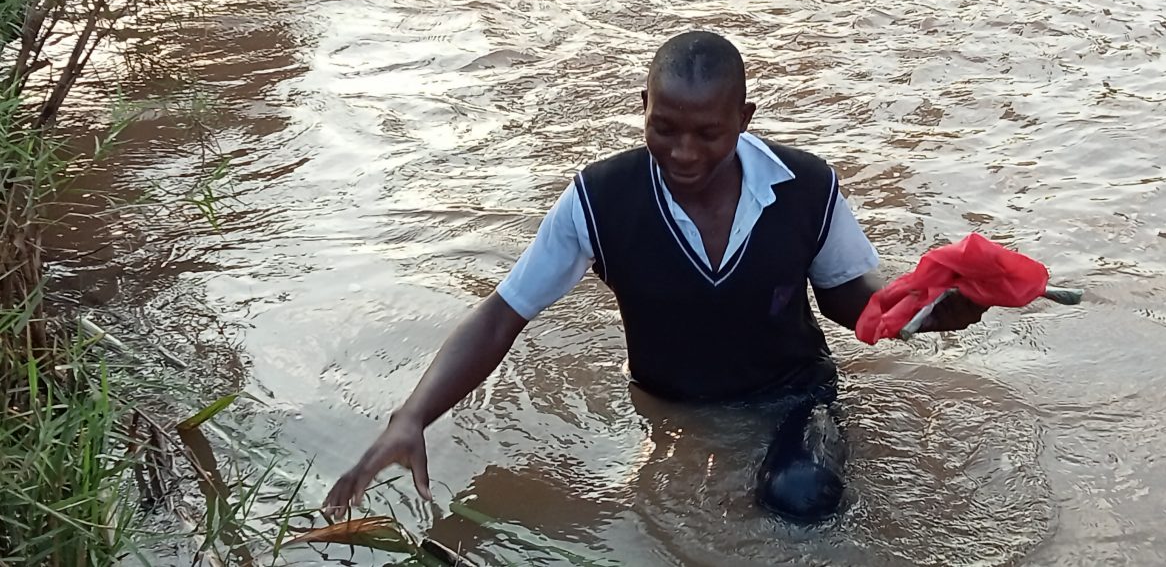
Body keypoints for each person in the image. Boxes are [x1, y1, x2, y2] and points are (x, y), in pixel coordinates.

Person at [322, 30, 986, 523]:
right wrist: (412, 417)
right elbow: (503, 313)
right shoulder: (599, 199)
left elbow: (848, 298)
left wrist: (926, 315)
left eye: (708, 133)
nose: (683, 152)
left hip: (792, 396)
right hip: (667, 403)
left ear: (744, 120)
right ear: (643, 106)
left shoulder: (806, 187)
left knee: (801, 498)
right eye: (663, 128)